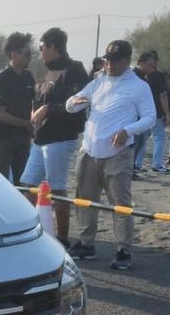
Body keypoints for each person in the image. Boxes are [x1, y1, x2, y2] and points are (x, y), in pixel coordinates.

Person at [64, 40, 155, 270]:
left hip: (118, 153)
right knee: (85, 199)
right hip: (89, 151)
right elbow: (70, 104)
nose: (109, 64)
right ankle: (86, 244)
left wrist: (127, 131)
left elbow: (149, 118)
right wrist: (74, 102)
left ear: (127, 61)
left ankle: (123, 248)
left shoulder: (139, 87)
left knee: (120, 203)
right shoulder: (98, 82)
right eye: (107, 60)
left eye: (115, 60)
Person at [19, 27, 89, 245]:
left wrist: (49, 109)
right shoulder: (48, 71)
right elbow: (39, 98)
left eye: (41, 48)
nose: (40, 53)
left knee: (56, 187)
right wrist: (35, 110)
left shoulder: (75, 70)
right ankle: (27, 230)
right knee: (27, 184)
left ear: (53, 47)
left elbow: (79, 103)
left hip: (60, 138)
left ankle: (63, 237)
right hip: (40, 138)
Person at [0, 32, 36, 181]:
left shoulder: (28, 77)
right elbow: (0, 114)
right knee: (0, 181)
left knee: (23, 181)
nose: (30, 57)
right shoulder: (1, 80)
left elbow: (33, 103)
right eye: (27, 54)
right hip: (3, 139)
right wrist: (26, 123)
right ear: (13, 54)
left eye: (30, 53)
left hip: (24, 138)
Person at [132, 50, 170, 174]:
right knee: (156, 137)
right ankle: (156, 164)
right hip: (149, 113)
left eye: (153, 65)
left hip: (145, 114)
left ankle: (135, 166)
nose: (152, 68)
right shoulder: (138, 76)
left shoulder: (143, 76)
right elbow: (163, 95)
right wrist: (167, 113)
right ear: (141, 63)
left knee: (141, 141)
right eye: (150, 65)